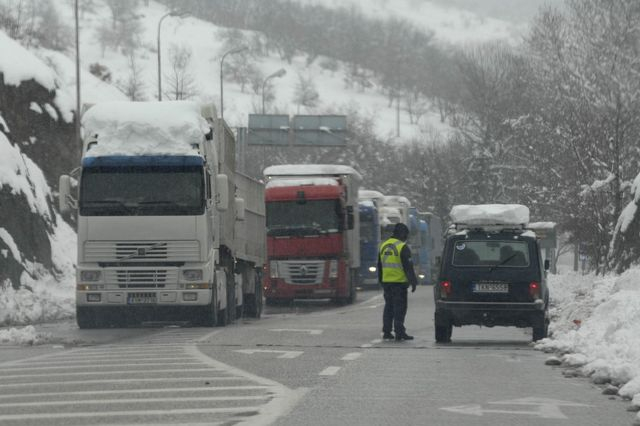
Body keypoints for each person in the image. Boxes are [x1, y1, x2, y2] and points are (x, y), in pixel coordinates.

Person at [378, 222, 418, 341]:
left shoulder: (383, 246)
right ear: (402, 234)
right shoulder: (402, 247)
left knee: (389, 307)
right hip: (399, 284)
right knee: (399, 309)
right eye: (406, 235)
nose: (406, 238)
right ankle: (400, 332)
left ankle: (386, 331)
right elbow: (408, 267)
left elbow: (379, 266)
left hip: (387, 283)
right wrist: (413, 282)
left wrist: (381, 281)